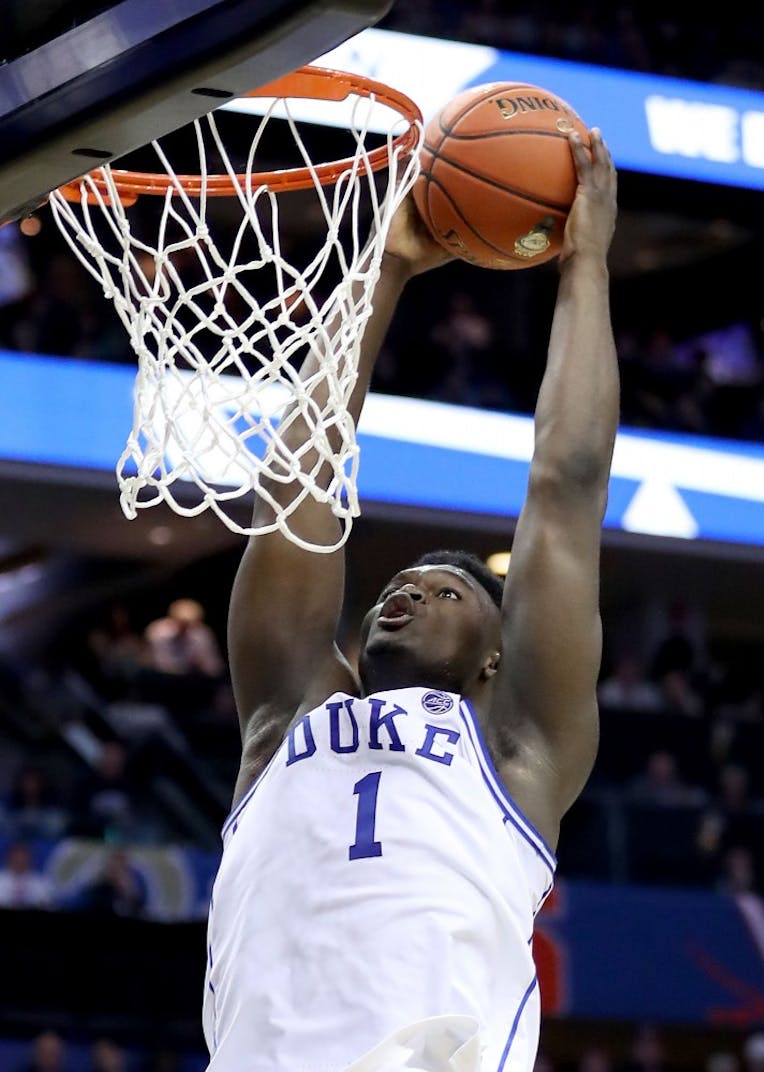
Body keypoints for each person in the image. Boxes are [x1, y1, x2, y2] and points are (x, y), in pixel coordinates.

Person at [204, 129, 618, 1071]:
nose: (408, 592)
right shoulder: (289, 716)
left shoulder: (520, 750)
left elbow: (568, 482)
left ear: (497, 655)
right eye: (400, 584)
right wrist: (383, 267)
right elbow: (300, 488)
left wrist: (585, 265)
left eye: (447, 592)